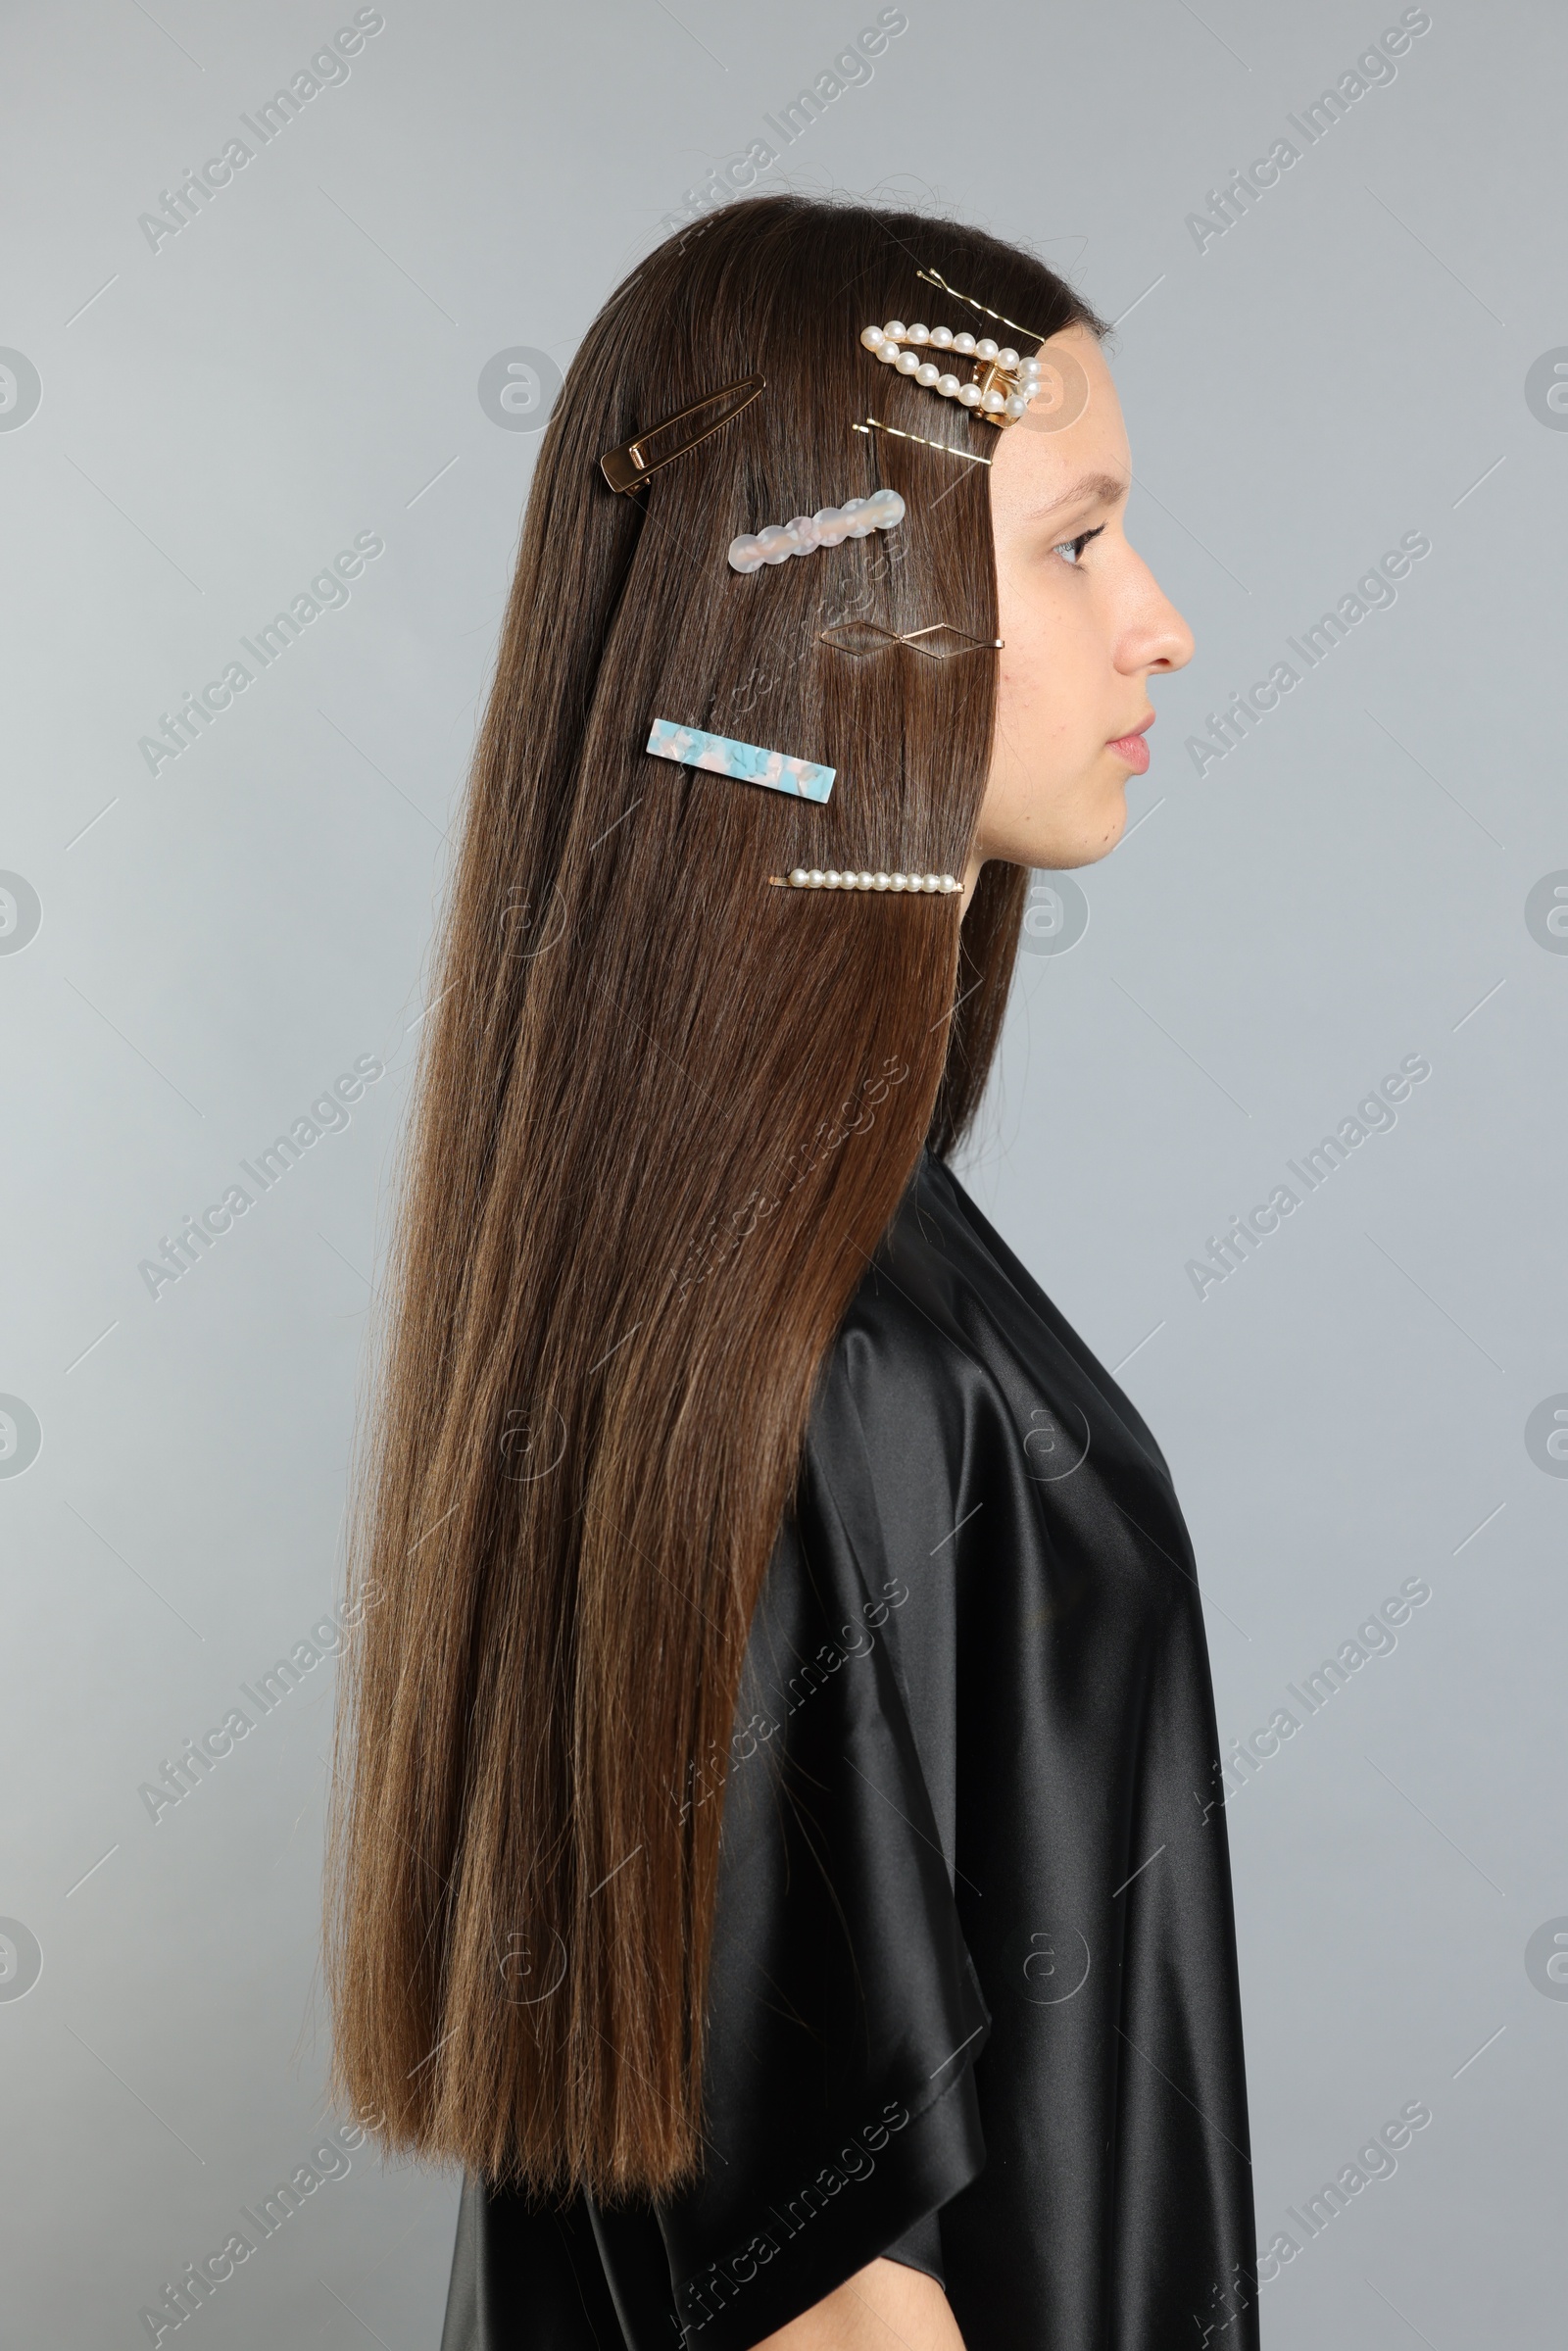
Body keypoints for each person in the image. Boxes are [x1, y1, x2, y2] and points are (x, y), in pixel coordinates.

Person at [324, 193, 1256, 2351]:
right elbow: (829, 2305)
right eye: (1071, 541)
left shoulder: (813, 1287)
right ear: (841, 613)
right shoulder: (819, 1348)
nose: (1161, 625)